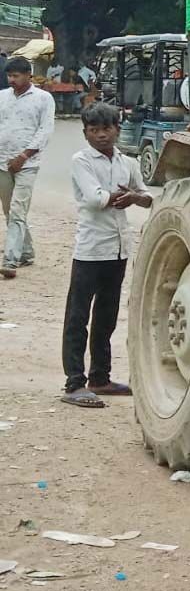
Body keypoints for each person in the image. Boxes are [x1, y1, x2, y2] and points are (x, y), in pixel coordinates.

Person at [60, 103, 152, 408]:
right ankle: (74, 383)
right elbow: (94, 198)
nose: (101, 135)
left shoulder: (128, 162)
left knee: (106, 317)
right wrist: (126, 197)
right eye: (94, 130)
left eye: (106, 129)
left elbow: (147, 197)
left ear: (117, 128)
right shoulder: (81, 160)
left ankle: (100, 377)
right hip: (90, 249)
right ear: (85, 133)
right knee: (78, 316)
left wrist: (134, 197)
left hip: (117, 249)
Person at [0, 57, 55, 279]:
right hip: (2, 162)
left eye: (16, 76)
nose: (11, 80)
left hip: (28, 164)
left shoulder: (43, 98)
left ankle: (10, 260)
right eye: (9, 76)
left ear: (28, 75)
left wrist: (23, 156)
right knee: (9, 211)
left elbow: (45, 131)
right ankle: (27, 251)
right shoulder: (2, 97)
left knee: (18, 211)